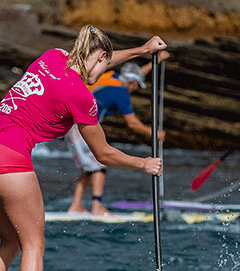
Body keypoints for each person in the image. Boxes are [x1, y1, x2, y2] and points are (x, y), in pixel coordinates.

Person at [0, 26, 164, 271]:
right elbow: (103, 154)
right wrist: (143, 163)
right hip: (7, 160)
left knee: (11, 241)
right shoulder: (81, 96)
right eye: (104, 63)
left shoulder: (52, 57)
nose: (103, 72)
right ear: (99, 56)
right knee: (34, 245)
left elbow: (95, 61)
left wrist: (141, 50)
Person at [65, 54, 168, 216]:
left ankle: (76, 205)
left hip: (73, 124)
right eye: (136, 86)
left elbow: (135, 72)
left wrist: (158, 60)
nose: (135, 89)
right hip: (80, 127)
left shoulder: (111, 76)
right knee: (99, 164)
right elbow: (132, 123)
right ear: (132, 83)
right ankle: (97, 206)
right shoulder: (121, 93)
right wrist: (155, 134)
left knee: (89, 166)